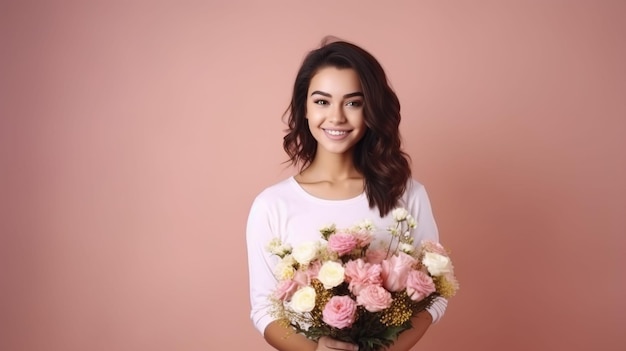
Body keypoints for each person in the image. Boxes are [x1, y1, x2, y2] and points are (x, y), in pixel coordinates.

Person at [246, 37, 447, 351]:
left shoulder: (406, 194)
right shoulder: (272, 205)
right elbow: (262, 309)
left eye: (353, 102)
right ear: (304, 109)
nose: (337, 117)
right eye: (322, 101)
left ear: (371, 110)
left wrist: (382, 349)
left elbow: (434, 296)